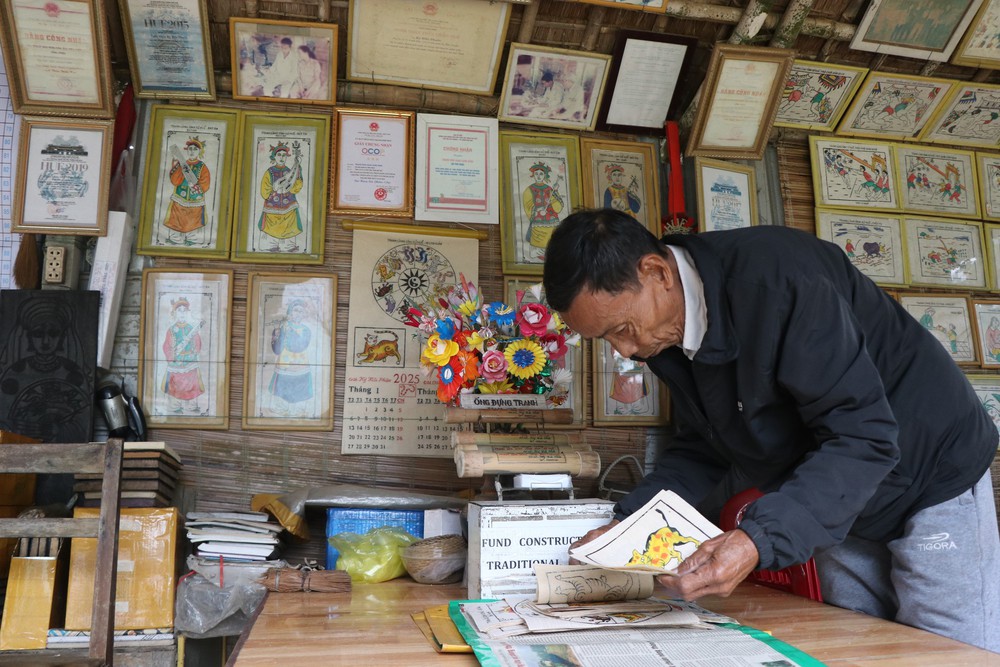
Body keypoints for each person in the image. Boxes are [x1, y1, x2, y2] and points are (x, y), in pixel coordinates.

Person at [542, 208, 999, 652]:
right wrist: (628, 523)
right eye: (607, 338)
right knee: (856, 640)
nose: (627, 349)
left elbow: (864, 436)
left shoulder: (779, 280)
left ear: (656, 271)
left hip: (930, 468)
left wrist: (758, 540)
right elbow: (706, 445)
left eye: (622, 328)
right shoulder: (665, 335)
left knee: (946, 650)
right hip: (831, 490)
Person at [162, 136, 210, 245]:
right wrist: (176, 162)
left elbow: (205, 182)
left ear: (199, 151)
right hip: (180, 196)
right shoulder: (182, 164)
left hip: (195, 198)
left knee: (193, 219)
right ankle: (175, 238)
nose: (192, 151)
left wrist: (197, 187)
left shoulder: (202, 167)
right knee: (177, 218)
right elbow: (175, 180)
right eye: (190, 149)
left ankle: (191, 239)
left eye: (195, 149)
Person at [161, 297, 205, 415]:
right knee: (175, 385)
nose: (182, 313)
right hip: (176, 362)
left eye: (184, 310)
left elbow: (197, 345)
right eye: (179, 310)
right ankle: (175, 407)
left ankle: (191, 407)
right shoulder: (171, 330)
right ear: (175, 313)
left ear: (187, 312)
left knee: (192, 384)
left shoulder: (192, 329)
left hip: (189, 361)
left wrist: (193, 353)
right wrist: (172, 356)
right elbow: (166, 346)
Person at [258, 141, 304, 252]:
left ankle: (289, 246)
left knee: (290, 225)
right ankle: (271, 245)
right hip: (273, 206)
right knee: (272, 226)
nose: (281, 157)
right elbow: (264, 191)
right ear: (274, 157)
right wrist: (274, 189)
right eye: (279, 155)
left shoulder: (290, 171)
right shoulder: (270, 172)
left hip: (288, 205)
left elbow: (296, 186)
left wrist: (298, 168)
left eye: (284, 155)